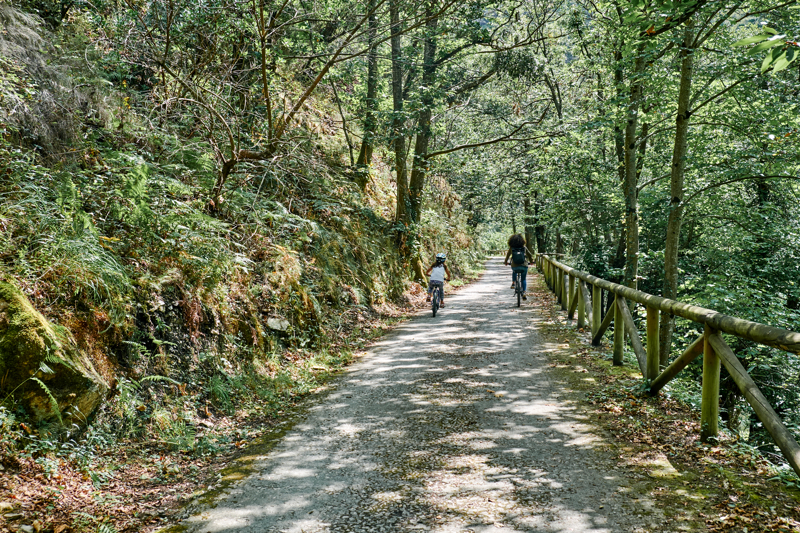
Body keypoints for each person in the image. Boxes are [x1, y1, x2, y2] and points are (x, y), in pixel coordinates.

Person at [504, 234, 534, 300]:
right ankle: (524, 292)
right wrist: (531, 261)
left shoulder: (512, 248)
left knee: (514, 271)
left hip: (515, 266)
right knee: (523, 279)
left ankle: (513, 283)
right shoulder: (524, 247)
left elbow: (507, 256)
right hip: (524, 266)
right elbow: (530, 255)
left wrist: (506, 262)